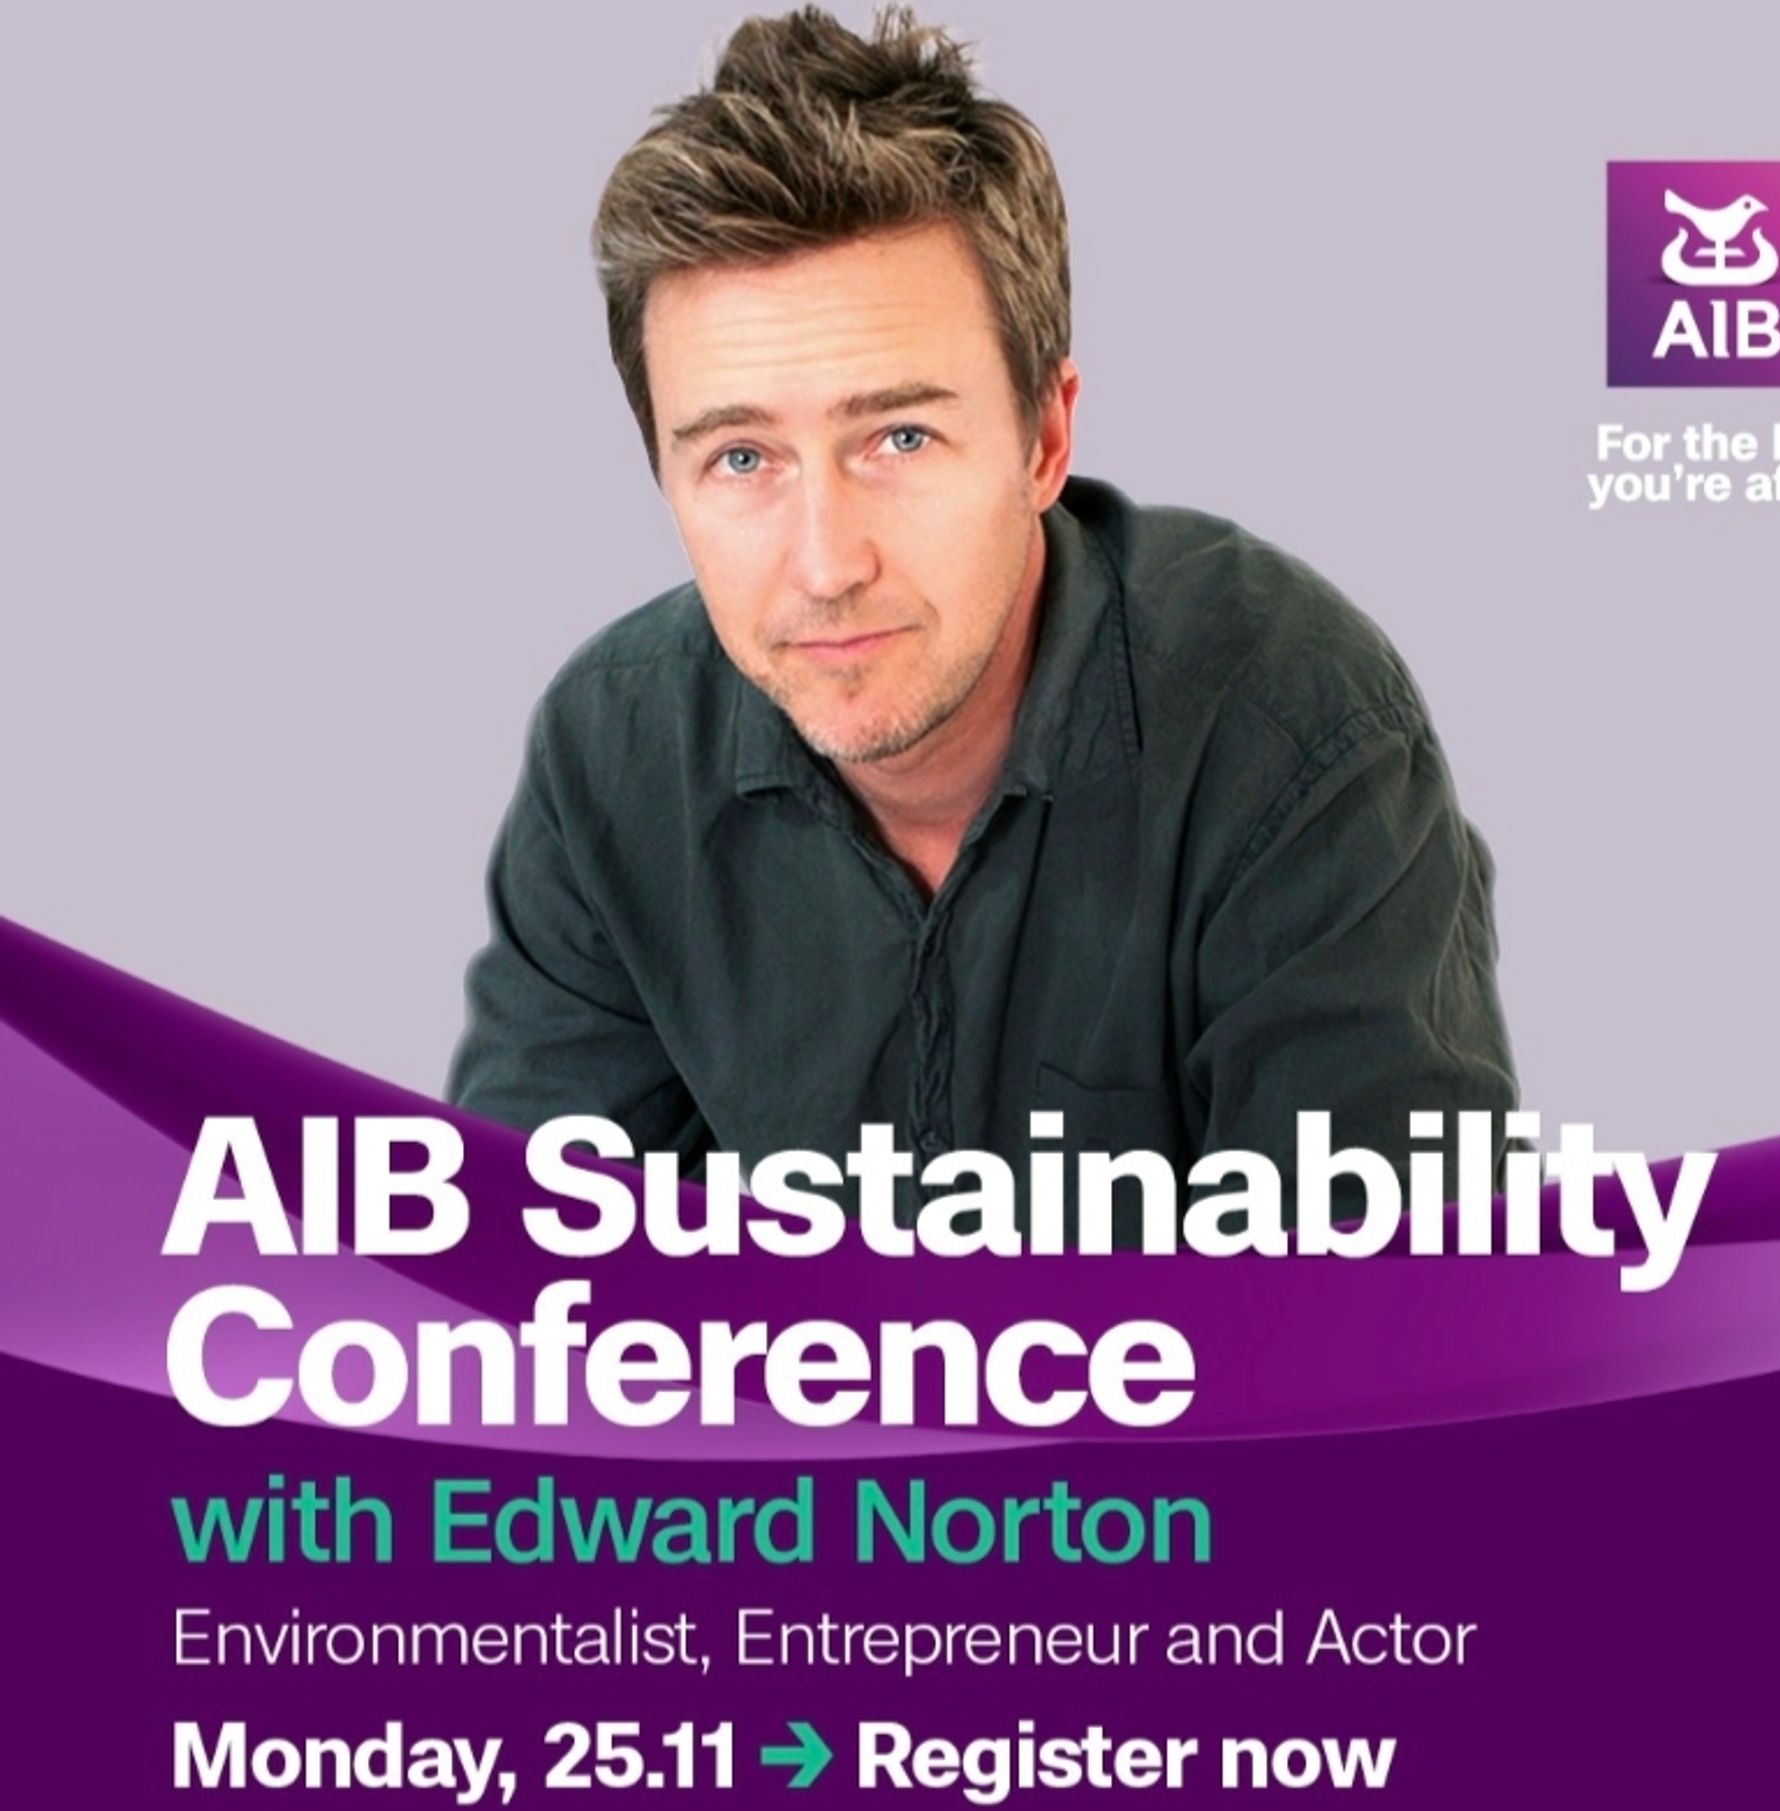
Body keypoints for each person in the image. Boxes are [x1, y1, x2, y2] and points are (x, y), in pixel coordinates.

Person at [447, 6, 1515, 1234]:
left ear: (1044, 437)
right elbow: (530, 1288)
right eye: (741, 458)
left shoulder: (1290, 725)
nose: (824, 564)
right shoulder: (609, 758)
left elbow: (1389, 1340)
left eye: (898, 438)